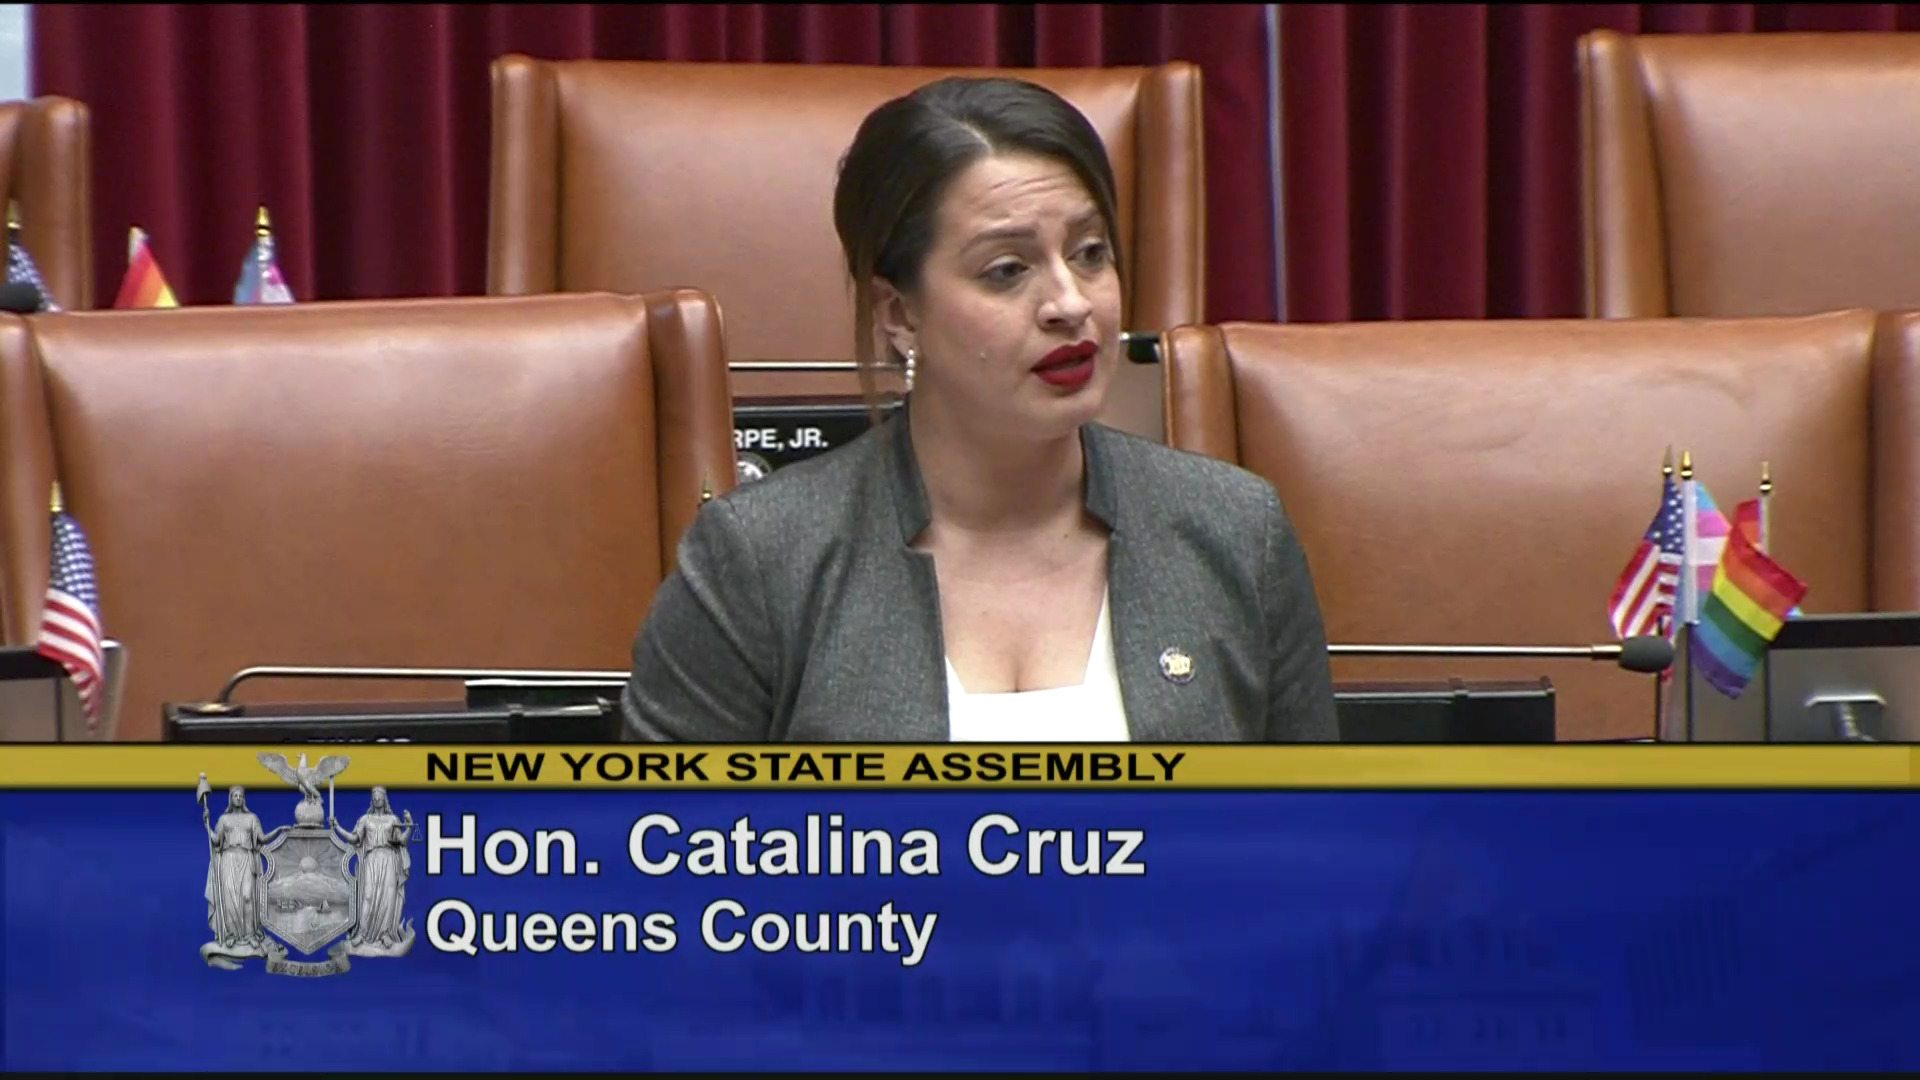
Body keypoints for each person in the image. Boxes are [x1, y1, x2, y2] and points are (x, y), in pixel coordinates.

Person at [622, 76, 1337, 742]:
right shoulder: (758, 560)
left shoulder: (1236, 533)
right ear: (899, 314)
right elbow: (667, 836)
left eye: (1090, 253)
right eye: (1007, 270)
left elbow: (1316, 829)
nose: (1070, 303)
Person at [334, 786, 414, 954]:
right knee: (368, 896)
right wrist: (338, 827)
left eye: (380, 796)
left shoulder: (393, 819)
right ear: (372, 799)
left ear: (385, 799)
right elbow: (354, 838)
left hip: (389, 859)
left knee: (388, 897)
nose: (377, 798)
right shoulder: (365, 819)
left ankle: (386, 934)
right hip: (371, 859)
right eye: (374, 796)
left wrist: (409, 826)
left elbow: (401, 841)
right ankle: (361, 934)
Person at [204, 786, 268, 950]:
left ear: (244, 799)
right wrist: (207, 825)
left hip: (246, 858)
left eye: (240, 796)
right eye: (235, 795)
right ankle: (231, 935)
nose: (238, 798)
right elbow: (216, 841)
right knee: (229, 900)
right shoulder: (224, 819)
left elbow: (262, 838)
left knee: (247, 897)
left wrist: (280, 831)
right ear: (231, 799)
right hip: (229, 859)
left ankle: (250, 934)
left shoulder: (252, 818)